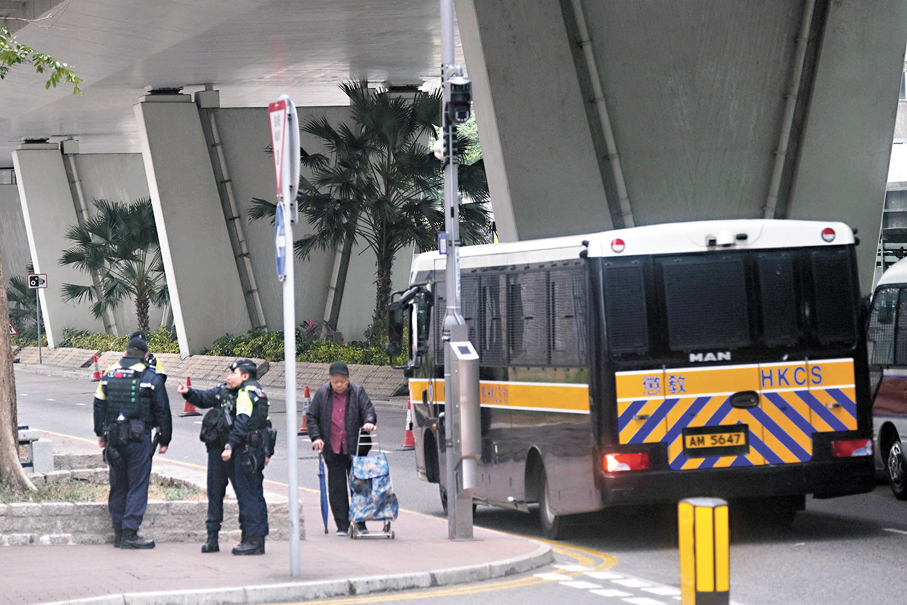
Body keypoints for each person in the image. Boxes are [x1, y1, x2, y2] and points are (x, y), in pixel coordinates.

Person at [177, 359, 274, 555]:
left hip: (242, 450)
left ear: (245, 376)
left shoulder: (249, 393)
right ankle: (213, 537)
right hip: (219, 449)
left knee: (248, 495)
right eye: (229, 373)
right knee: (215, 492)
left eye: (234, 373)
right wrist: (189, 392)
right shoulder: (225, 391)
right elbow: (206, 398)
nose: (229, 377)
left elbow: (249, 424)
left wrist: (235, 446)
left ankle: (254, 540)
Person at [93, 335, 171, 549]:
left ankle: (118, 534)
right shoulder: (151, 377)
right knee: (137, 486)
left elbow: (99, 404)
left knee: (118, 485)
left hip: (113, 439)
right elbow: (162, 409)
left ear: (125, 353)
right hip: (139, 439)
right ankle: (130, 534)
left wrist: (100, 433)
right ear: (145, 356)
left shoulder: (109, 375)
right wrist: (165, 438)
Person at [306, 360, 376, 536]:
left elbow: (368, 410)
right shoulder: (322, 394)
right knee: (337, 489)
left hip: (356, 448)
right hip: (332, 448)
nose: (339, 385)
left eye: (342, 381)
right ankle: (342, 525)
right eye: (335, 381)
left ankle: (360, 523)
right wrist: (316, 438)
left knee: (359, 487)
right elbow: (312, 417)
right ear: (330, 380)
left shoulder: (358, 391)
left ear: (348, 379)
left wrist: (368, 422)